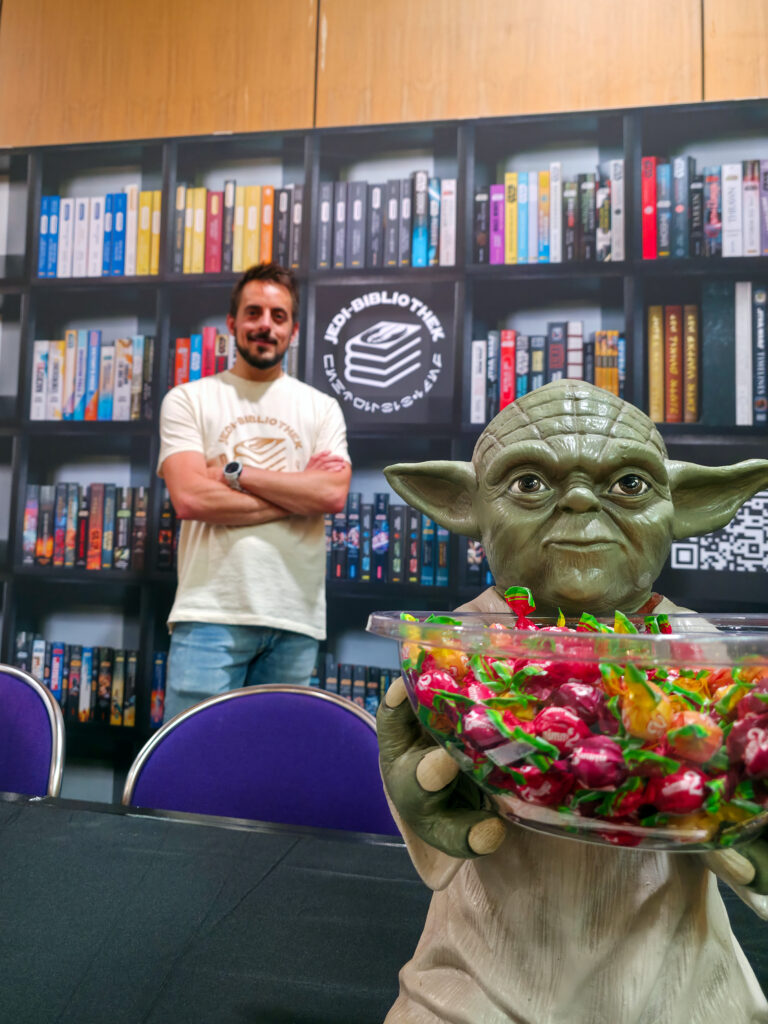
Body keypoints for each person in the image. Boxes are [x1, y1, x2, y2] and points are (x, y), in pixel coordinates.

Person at [377, 379, 768, 1024]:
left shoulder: (707, 654)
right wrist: (422, 802)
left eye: (629, 484)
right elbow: (432, 807)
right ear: (463, 503)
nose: (582, 502)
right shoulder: (451, 654)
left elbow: (744, 833)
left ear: (690, 505)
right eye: (529, 482)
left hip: (676, 978)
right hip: (481, 974)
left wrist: (752, 828)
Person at [158, 262, 351, 721]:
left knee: (273, 760)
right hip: (209, 614)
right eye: (253, 312)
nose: (265, 324)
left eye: (278, 316)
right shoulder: (188, 400)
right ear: (232, 323)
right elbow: (190, 498)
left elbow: (331, 495)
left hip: (295, 618)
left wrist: (233, 473)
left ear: (293, 330)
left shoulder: (321, 408)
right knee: (193, 757)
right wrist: (296, 495)